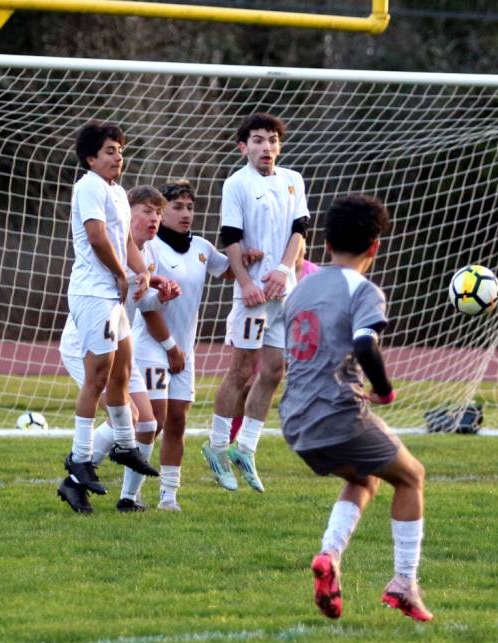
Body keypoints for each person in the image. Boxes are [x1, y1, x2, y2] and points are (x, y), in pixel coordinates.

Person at [280, 194, 432, 623]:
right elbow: (366, 342)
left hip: (295, 421)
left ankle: (329, 555)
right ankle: (404, 582)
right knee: (411, 476)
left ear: (326, 244)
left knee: (364, 478)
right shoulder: (362, 289)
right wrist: (383, 390)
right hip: (338, 414)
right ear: (375, 247)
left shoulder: (301, 289)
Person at [56, 121, 164, 515]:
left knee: (122, 372)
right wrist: (121, 274)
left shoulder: (117, 191)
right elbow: (98, 237)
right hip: (94, 294)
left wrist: (142, 272)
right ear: (90, 158)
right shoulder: (88, 186)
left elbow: (127, 242)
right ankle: (80, 457)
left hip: (113, 298)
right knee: (98, 376)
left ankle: (124, 445)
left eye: (119, 149)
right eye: (109, 150)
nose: (118, 156)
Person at [202, 112, 310, 493]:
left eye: (272, 141)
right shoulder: (236, 184)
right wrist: (245, 282)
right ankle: (216, 447)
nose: (267, 147)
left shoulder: (293, 180)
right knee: (242, 369)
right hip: (253, 294)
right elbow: (230, 236)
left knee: (275, 371)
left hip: (284, 290)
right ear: (243, 146)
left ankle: (245, 448)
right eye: (259, 140)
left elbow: (300, 230)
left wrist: (284, 269)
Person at [132, 180, 234, 511]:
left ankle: (168, 496)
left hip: (183, 351)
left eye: (190, 207)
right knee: (155, 420)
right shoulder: (149, 250)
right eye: (176, 207)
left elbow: (229, 270)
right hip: (153, 345)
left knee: (178, 421)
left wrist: (249, 248)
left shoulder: (202, 247)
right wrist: (171, 347)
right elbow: (148, 308)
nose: (185, 213)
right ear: (162, 213)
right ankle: (129, 494)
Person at [229, 238, 318, 443]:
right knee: (248, 384)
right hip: (267, 336)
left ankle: (311, 435)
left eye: (300, 249)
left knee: (308, 387)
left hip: (302, 343)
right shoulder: (269, 275)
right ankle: (230, 436)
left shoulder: (314, 274)